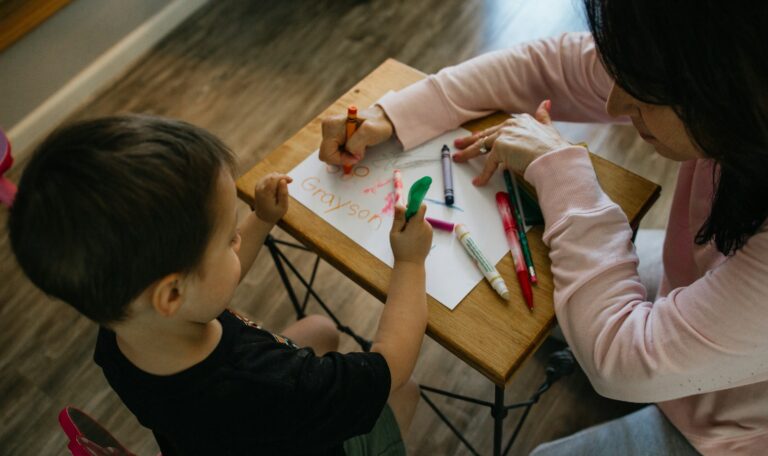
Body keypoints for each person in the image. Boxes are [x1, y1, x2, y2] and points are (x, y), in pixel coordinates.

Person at [318, 1, 768, 454]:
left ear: (728, 86)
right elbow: (552, 65)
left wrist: (562, 172)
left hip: (740, 426)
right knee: (556, 300)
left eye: (643, 90)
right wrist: (393, 115)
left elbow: (622, 360)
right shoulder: (729, 76)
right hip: (703, 286)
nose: (614, 101)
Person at [8, 114, 433, 455]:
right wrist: (411, 261)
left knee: (321, 329)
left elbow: (205, 288)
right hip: (300, 432)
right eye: (229, 238)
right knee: (406, 392)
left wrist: (261, 220)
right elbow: (391, 364)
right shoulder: (274, 386)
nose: (238, 240)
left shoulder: (121, 330)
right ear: (172, 294)